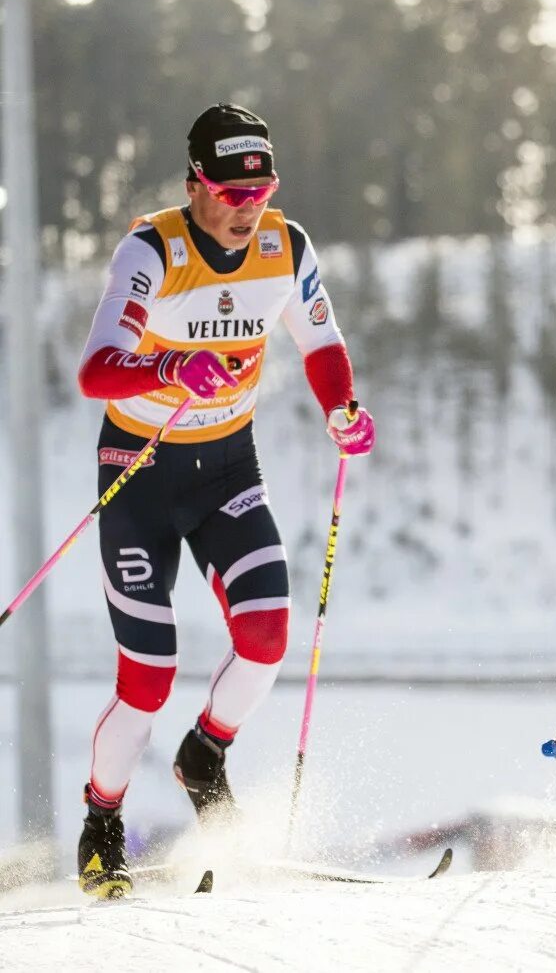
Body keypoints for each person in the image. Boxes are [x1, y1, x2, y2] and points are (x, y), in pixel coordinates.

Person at [72, 103, 376, 898]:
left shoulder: (287, 244)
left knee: (268, 633)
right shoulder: (152, 249)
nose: (249, 208)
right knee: (148, 676)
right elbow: (97, 372)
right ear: (195, 185)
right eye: (232, 192)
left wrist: (341, 408)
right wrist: (170, 369)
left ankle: (203, 754)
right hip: (138, 468)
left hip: (226, 468)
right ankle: (103, 819)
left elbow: (322, 344)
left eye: (262, 190)